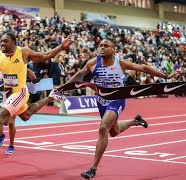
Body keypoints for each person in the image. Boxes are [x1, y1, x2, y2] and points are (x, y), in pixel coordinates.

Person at [64, 39, 179, 179]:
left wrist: (166, 76)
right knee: (114, 131)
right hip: (101, 101)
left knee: (103, 128)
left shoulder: (121, 63)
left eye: (105, 46)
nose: (101, 48)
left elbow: (143, 68)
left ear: (113, 49)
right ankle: (135, 121)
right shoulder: (92, 63)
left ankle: (93, 168)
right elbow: (79, 75)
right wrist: (63, 88)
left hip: (117, 99)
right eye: (100, 45)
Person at [0, 32, 69, 164]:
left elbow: (45, 56)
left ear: (13, 42)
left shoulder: (23, 52)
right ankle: (51, 97)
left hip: (20, 91)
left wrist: (61, 46)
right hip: (9, 94)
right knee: (25, 115)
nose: (2, 44)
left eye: (5, 41)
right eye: (1, 41)